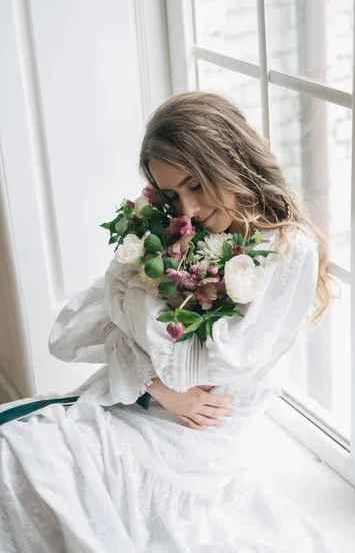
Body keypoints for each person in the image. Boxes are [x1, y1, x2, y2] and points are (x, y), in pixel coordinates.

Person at [0, 91, 336, 552]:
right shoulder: (186, 233)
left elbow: (213, 364)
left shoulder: (289, 248)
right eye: (173, 195)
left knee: (21, 460)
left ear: (231, 157)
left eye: (196, 184)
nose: (189, 209)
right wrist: (155, 380)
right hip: (135, 401)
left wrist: (139, 307)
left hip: (190, 444)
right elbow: (96, 320)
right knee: (15, 445)